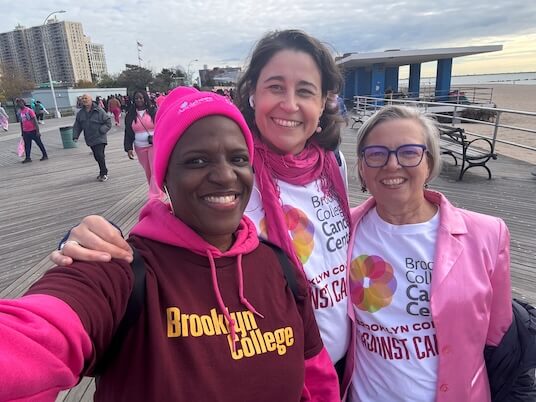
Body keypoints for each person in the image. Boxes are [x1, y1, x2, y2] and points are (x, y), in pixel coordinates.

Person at [51, 29, 353, 390]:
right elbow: (166, 228)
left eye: (305, 90)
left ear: (323, 103)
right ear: (252, 94)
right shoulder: (231, 174)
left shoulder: (332, 165)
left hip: (341, 366)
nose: (290, 103)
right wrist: (85, 240)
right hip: (259, 360)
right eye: (275, 87)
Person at [0, 88, 339, 401]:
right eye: (197, 161)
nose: (225, 176)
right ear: (164, 176)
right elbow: (35, 338)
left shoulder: (278, 265)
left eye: (238, 159)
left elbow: (316, 376)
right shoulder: (121, 269)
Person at [344, 105, 513, 401]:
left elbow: (496, 330)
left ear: (429, 162)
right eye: (376, 154)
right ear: (361, 167)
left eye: (409, 152)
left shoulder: (488, 234)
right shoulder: (343, 230)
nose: (392, 165)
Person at [124, 90, 161, 198]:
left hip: (154, 145)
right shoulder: (130, 115)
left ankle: (155, 196)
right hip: (139, 147)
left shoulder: (153, 111)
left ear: (145, 98)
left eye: (141, 98)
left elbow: (162, 125)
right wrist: (128, 148)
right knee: (148, 171)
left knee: (154, 170)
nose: (139, 100)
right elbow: (128, 132)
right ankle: (154, 191)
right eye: (136, 98)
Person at [73, 94, 112, 182]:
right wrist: (75, 136)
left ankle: (104, 173)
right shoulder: (80, 113)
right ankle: (102, 171)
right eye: (83, 99)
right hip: (90, 138)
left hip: (100, 137)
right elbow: (77, 125)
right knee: (96, 156)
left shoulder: (99, 110)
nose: (84, 100)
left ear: (91, 100)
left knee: (100, 155)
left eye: (86, 98)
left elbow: (108, 122)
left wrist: (102, 130)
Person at [16, 98, 48, 163]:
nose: (20, 104)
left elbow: (35, 120)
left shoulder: (29, 110)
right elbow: (21, 122)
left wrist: (37, 131)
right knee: (27, 145)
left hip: (33, 130)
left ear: (23, 103)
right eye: (18, 103)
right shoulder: (19, 112)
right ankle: (28, 158)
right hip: (26, 131)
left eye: (21, 103)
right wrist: (22, 132)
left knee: (39, 143)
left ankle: (45, 155)